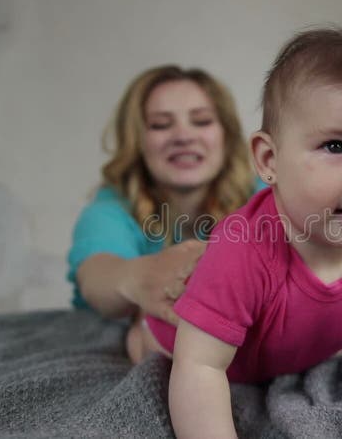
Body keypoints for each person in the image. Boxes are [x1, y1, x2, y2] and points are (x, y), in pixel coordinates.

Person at [132, 27, 342, 438]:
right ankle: (135, 338)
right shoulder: (243, 249)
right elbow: (201, 367)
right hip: (179, 341)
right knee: (150, 356)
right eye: (336, 146)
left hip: (288, 351)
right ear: (269, 160)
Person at [66, 65, 256, 325]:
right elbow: (97, 275)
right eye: (160, 125)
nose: (183, 136)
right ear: (137, 142)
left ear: (227, 135)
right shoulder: (109, 210)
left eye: (201, 121)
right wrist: (139, 279)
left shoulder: (265, 198)